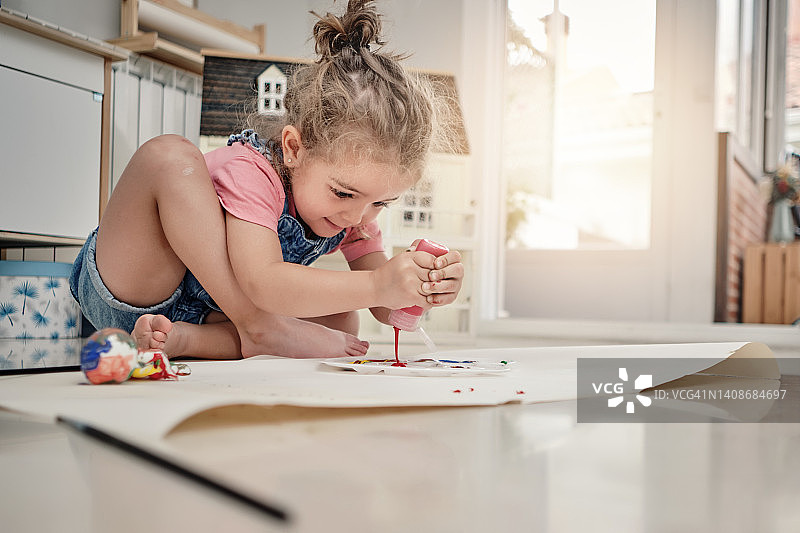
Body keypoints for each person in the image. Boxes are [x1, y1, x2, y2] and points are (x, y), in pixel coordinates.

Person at [69, 0, 464, 359]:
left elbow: (385, 309)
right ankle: (259, 329)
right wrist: (378, 283)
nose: (358, 216)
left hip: (202, 320)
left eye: (381, 202)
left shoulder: (356, 212)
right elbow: (264, 282)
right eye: (343, 192)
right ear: (294, 148)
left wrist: (420, 287)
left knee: (343, 318)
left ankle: (184, 340)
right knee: (168, 156)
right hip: (138, 286)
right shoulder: (253, 171)